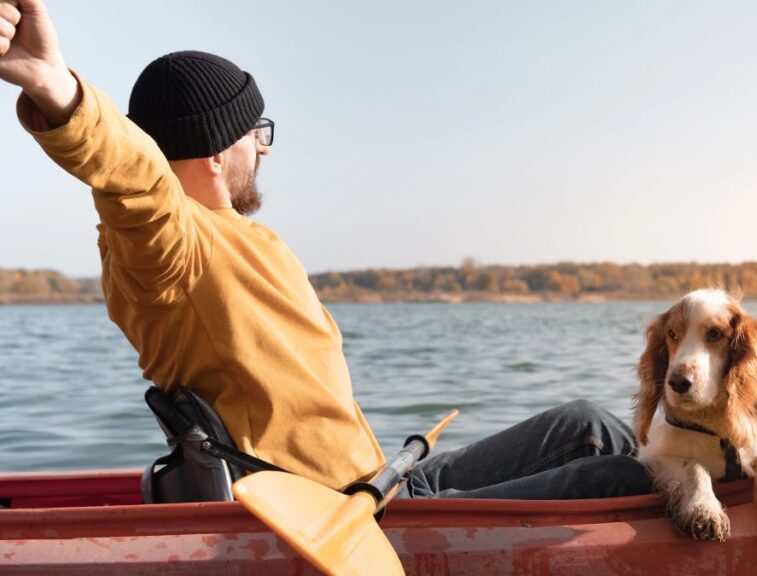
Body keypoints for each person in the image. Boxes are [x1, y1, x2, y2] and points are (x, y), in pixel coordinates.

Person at [0, 0, 652, 499]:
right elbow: (132, 175)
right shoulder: (168, 245)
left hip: (384, 482)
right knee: (625, 478)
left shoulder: (248, 239)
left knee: (588, 424)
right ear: (221, 145)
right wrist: (54, 85)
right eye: (258, 132)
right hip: (342, 518)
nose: (264, 147)